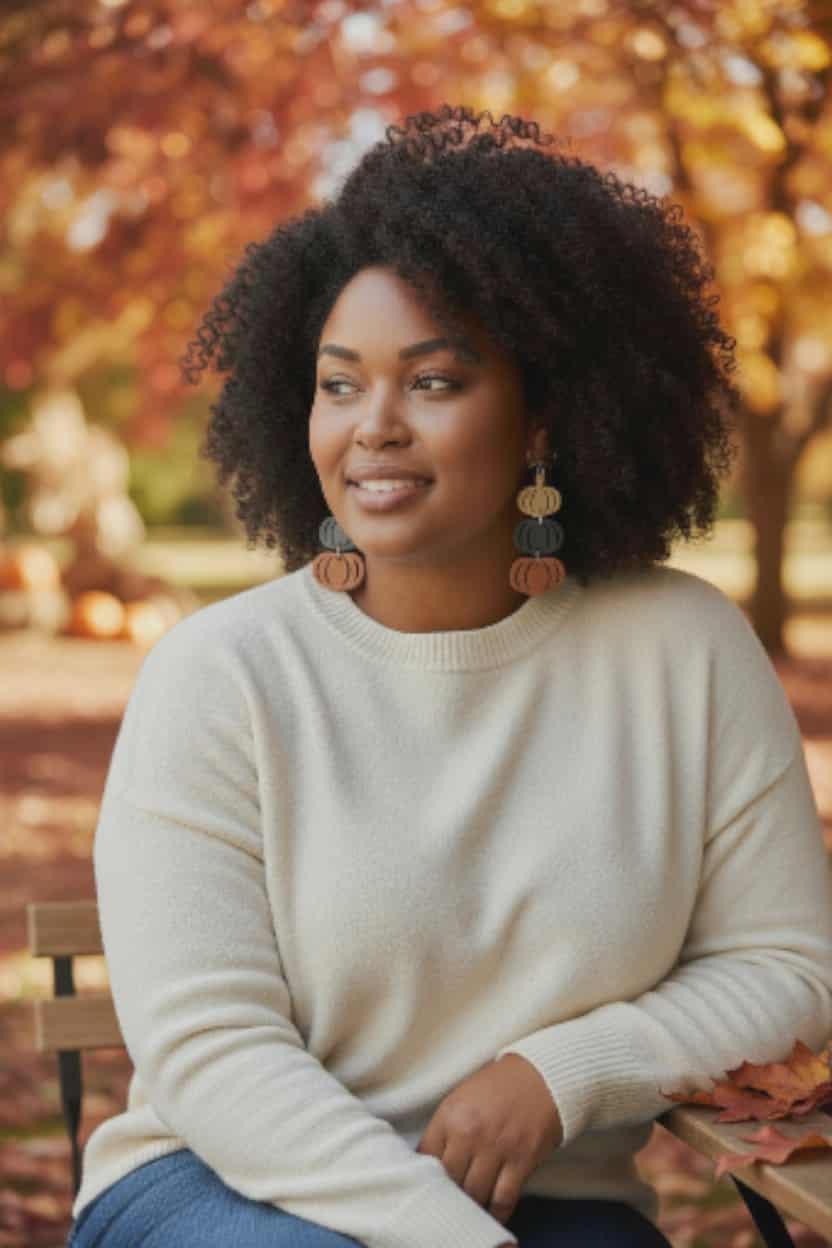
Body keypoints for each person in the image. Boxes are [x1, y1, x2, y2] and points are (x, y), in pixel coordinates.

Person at [65, 105, 832, 1248]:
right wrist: (451, 1237)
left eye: (432, 382)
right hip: (228, 1186)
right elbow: (212, 1055)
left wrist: (562, 1073)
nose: (372, 427)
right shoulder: (221, 675)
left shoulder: (682, 652)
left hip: (549, 1200)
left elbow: (786, 968)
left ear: (543, 417)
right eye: (338, 385)